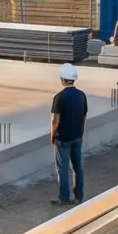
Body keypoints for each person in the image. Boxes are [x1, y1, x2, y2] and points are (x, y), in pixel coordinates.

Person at [49, 63, 87, 206]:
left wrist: (53, 135)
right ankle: (79, 196)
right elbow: (83, 115)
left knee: (63, 168)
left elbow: (55, 120)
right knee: (78, 166)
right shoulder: (81, 95)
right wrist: (81, 131)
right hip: (77, 136)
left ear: (62, 79)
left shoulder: (59, 97)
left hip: (63, 138)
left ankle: (64, 197)